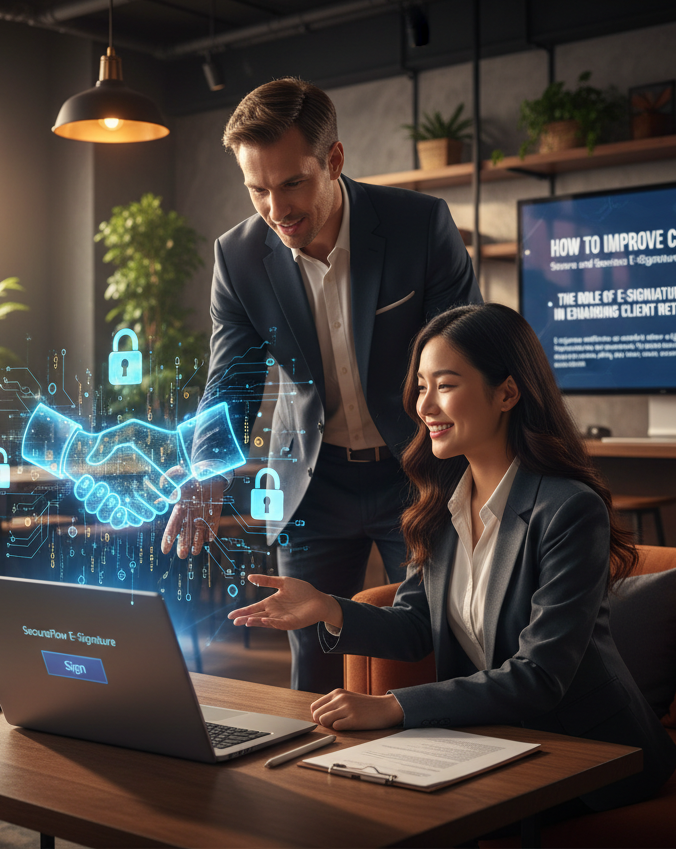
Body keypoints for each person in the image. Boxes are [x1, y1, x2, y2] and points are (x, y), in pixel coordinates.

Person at [227, 303, 676, 812]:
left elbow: (541, 676)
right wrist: (328, 608)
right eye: (421, 386)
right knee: (339, 794)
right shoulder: (441, 507)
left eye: (444, 385)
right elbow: (417, 625)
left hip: (589, 751)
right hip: (494, 738)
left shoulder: (570, 509)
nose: (424, 406)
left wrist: (394, 706)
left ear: (507, 392)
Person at [160, 77, 481, 693]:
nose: (277, 210)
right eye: (257, 190)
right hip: (312, 481)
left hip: (416, 470)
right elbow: (231, 379)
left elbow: (466, 355)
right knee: (314, 667)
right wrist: (207, 471)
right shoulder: (240, 257)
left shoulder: (419, 225)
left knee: (435, 649)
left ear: (333, 160)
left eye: (292, 183)